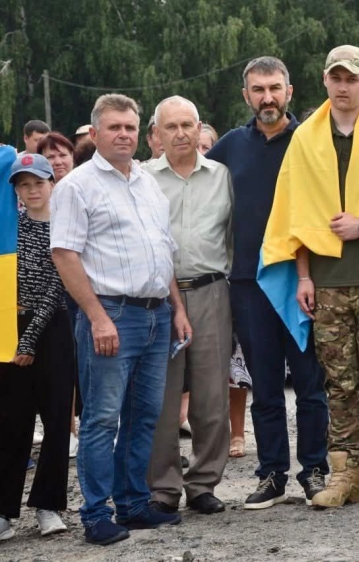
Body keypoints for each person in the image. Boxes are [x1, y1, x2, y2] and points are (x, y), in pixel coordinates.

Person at [263, 45, 359, 510]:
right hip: (325, 279)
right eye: (336, 78)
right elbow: (297, 214)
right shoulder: (305, 138)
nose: (343, 86)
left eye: (352, 78)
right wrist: (302, 276)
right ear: (325, 81)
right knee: (339, 382)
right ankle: (344, 475)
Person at [50, 93, 191, 545]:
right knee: (102, 418)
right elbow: (64, 254)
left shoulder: (147, 183)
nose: (123, 135)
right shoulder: (77, 185)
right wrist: (96, 317)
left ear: (141, 133)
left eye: (130, 127)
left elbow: (162, 251)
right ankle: (95, 514)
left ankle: (132, 504)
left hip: (154, 315)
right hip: (110, 313)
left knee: (144, 415)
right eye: (114, 127)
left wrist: (176, 309)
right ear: (94, 134)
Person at [206, 56, 329, 509]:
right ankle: (272, 474)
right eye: (258, 90)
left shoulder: (312, 140)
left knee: (311, 383)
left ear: (290, 92)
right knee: (265, 385)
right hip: (247, 282)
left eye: (275, 88)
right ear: (246, 96)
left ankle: (315, 470)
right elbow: (194, 186)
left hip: (304, 280)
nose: (267, 97)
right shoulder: (230, 148)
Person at [144, 96, 234, 516]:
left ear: (200, 130)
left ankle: (203, 483)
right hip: (158, 299)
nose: (181, 133)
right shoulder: (142, 179)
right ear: (157, 135)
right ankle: (163, 487)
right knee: (160, 396)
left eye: (188, 125)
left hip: (211, 291)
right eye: (171, 127)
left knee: (211, 394)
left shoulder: (222, 176)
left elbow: (233, 236)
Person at [0, 154, 73, 541]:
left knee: (57, 418)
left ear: (51, 183)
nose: (32, 190)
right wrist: (16, 336)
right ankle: (4, 510)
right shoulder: (9, 227)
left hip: (53, 329)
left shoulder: (65, 226)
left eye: (39, 182)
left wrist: (30, 339)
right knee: (13, 421)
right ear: (15, 190)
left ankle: (48, 505)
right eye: (23, 184)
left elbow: (57, 286)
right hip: (11, 326)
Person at [35, 132, 80, 459]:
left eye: (63, 154)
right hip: (50, 304)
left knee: (84, 369)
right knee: (60, 372)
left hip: (85, 295)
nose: (58, 160)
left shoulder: (85, 189)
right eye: (50, 157)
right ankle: (67, 431)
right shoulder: (33, 203)